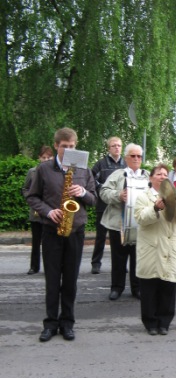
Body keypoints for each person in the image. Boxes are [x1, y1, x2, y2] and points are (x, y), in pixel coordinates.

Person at [26, 127, 97, 342]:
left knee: (71, 281)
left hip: (75, 231)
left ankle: (67, 323)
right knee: (52, 279)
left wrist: (82, 192)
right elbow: (32, 196)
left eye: (72, 146)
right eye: (64, 147)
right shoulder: (44, 168)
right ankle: (50, 324)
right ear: (56, 146)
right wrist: (48, 211)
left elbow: (94, 199)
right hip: (51, 230)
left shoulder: (83, 170)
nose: (69, 150)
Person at [134, 164, 176, 335]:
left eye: (165, 174)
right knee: (149, 288)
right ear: (151, 178)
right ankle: (150, 323)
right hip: (151, 249)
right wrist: (155, 208)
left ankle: (164, 322)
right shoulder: (143, 197)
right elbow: (140, 218)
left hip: (171, 249)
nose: (162, 176)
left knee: (168, 288)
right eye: (158, 173)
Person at [100, 143, 149, 301]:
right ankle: (117, 287)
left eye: (139, 156)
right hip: (118, 223)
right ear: (126, 158)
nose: (136, 159)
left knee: (138, 258)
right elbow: (103, 192)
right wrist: (118, 195)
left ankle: (138, 288)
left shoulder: (147, 175)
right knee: (118, 258)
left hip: (140, 225)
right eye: (133, 156)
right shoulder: (117, 175)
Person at [90, 136, 126, 274]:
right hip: (103, 205)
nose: (117, 148)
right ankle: (96, 263)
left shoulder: (125, 165)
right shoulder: (100, 164)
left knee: (121, 237)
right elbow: (92, 179)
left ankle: (122, 264)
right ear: (108, 148)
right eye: (114, 145)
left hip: (119, 208)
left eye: (119, 145)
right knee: (100, 236)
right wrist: (102, 190)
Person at [22, 145, 54, 275]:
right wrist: (31, 199)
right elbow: (25, 189)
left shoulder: (55, 172)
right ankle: (34, 266)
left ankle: (50, 267)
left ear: (52, 158)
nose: (46, 160)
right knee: (36, 241)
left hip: (51, 211)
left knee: (50, 242)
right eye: (43, 157)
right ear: (39, 158)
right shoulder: (33, 171)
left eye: (48, 157)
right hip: (36, 211)